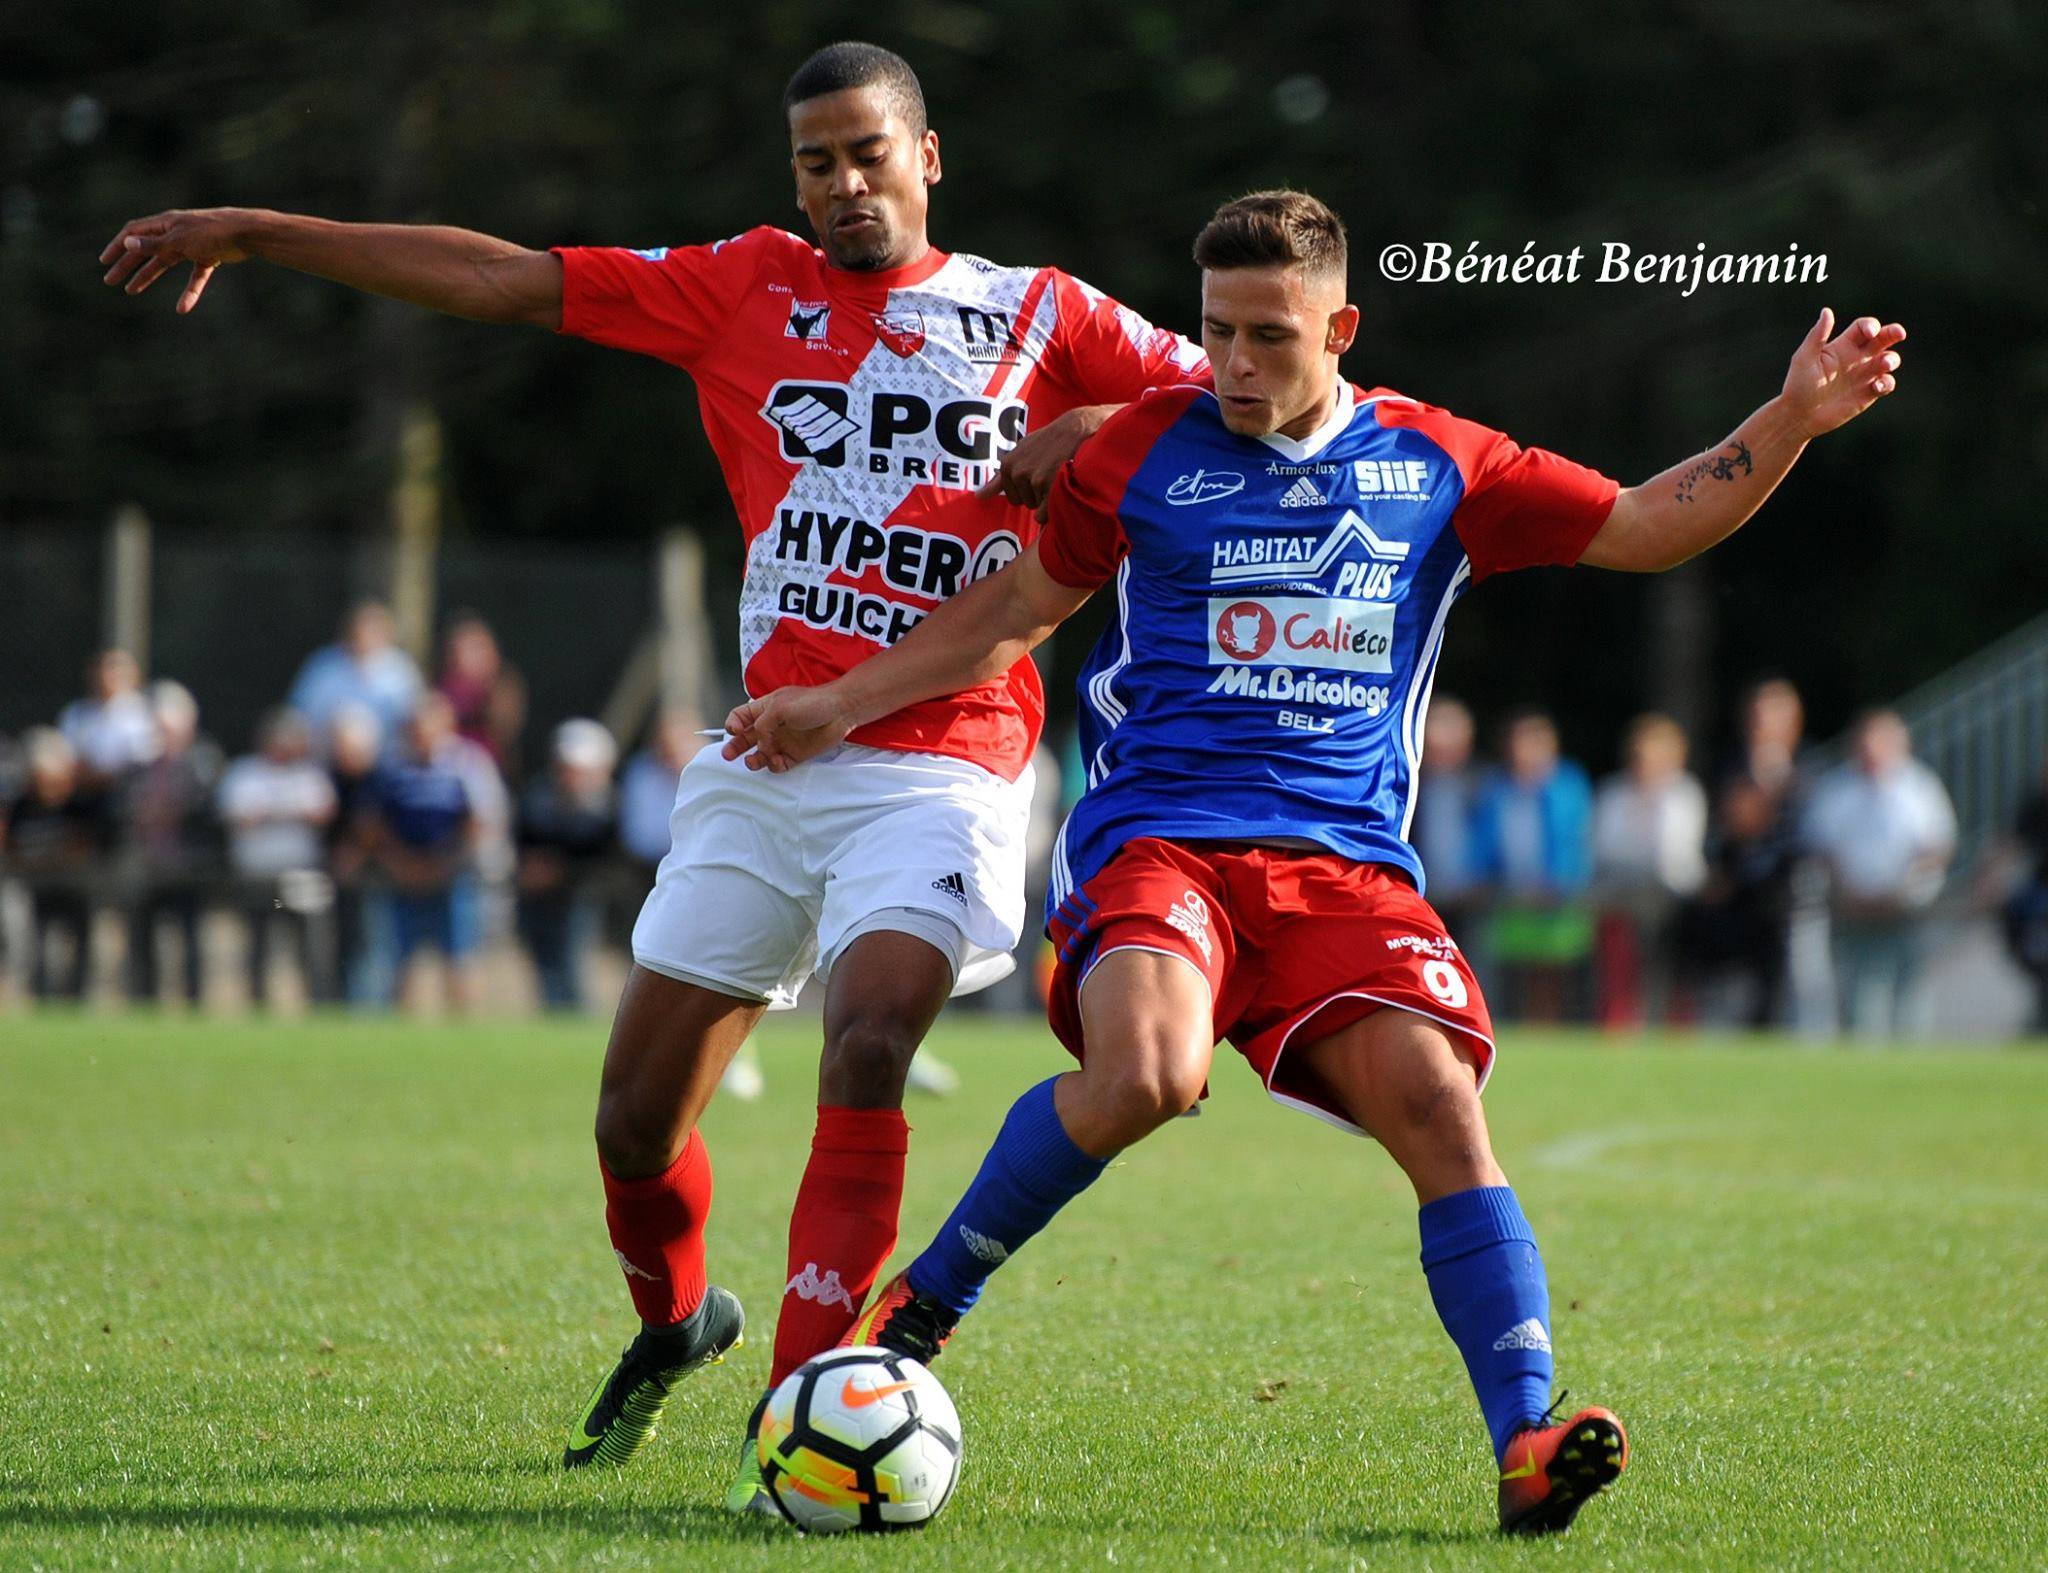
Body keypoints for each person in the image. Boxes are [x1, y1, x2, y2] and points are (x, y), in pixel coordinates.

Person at [102, 40, 1211, 1483]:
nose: (844, 183)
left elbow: (1269, 389)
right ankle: (680, 1319)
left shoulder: (1044, 313)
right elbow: (502, 275)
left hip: (949, 758)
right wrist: (261, 231)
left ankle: (813, 1405)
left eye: (870, 152)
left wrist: (1093, 422)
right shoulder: (743, 285)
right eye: (816, 161)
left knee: (871, 1039)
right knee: (634, 1125)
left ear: (928, 157)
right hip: (766, 755)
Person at [729, 189, 1905, 1532]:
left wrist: (1793, 419)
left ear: (1339, 327)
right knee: (1149, 1075)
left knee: (1440, 1107)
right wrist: (842, 699)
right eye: (1215, 331)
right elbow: (1011, 612)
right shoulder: (1140, 458)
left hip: (1345, 872)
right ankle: (922, 1307)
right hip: (1159, 844)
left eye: (1268, 337)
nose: (1232, 363)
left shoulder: (1436, 463)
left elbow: (1644, 524)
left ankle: (1527, 1438)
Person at [1804, 710, 1955, 1038]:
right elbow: (1820, 849)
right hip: (1851, 908)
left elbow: (1937, 847)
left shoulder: (1920, 788)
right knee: (1857, 1003)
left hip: (1905, 908)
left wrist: (1904, 891)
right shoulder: (1835, 789)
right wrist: (1845, 892)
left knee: (1909, 1000)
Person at [1469, 711, 1595, 1023]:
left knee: (1553, 974)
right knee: (1516, 973)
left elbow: (1575, 837)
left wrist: (1561, 881)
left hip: (1556, 895)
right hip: (1509, 893)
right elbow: (1484, 839)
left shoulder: (1568, 784)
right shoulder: (1496, 787)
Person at [364, 693, 481, 1012]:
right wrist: (401, 864)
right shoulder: (393, 771)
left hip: (451, 877)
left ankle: (464, 1034)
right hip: (403, 879)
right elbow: (376, 827)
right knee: (400, 960)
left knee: (458, 959)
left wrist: (445, 864)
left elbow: (478, 824)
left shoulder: (467, 766)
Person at [1591, 713, 1707, 1028]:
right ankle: (1620, 1021)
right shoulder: (1615, 794)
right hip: (1624, 896)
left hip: (1672, 900)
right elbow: (1606, 847)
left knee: (1673, 969)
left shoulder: (1683, 794)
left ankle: (1674, 1024)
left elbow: (1678, 853)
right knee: (1620, 963)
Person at [219, 708, 339, 1007]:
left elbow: (322, 814)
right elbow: (239, 817)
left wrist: (270, 814)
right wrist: (288, 813)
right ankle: (258, 1003)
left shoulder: (310, 775)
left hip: (302, 875)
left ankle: (317, 1004)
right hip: (258, 875)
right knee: (258, 944)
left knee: (309, 945)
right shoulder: (245, 772)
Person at [515, 719, 621, 1011]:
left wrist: (560, 872)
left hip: (580, 896)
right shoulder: (538, 798)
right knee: (544, 967)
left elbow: (606, 860)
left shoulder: (608, 808)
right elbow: (523, 842)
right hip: (539, 898)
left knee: (573, 964)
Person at [0, 729, 106, 1000]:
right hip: (36, 887)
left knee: (79, 943)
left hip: (75, 887)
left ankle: (78, 997)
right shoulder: (22, 806)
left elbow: (85, 848)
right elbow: (12, 848)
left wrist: (49, 858)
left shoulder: (78, 805)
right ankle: (40, 995)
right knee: (35, 944)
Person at [287, 602, 424, 748]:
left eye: (373, 631)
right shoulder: (323, 666)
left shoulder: (401, 669)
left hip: (387, 761)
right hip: (325, 758)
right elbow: (299, 716)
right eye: (358, 631)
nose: (364, 638)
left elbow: (415, 718)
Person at [58, 649, 158, 794]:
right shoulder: (76, 712)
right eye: (104, 670)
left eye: (116, 671)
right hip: (80, 790)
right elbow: (68, 757)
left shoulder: (143, 714)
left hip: (127, 792)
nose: (107, 677)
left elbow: (141, 761)